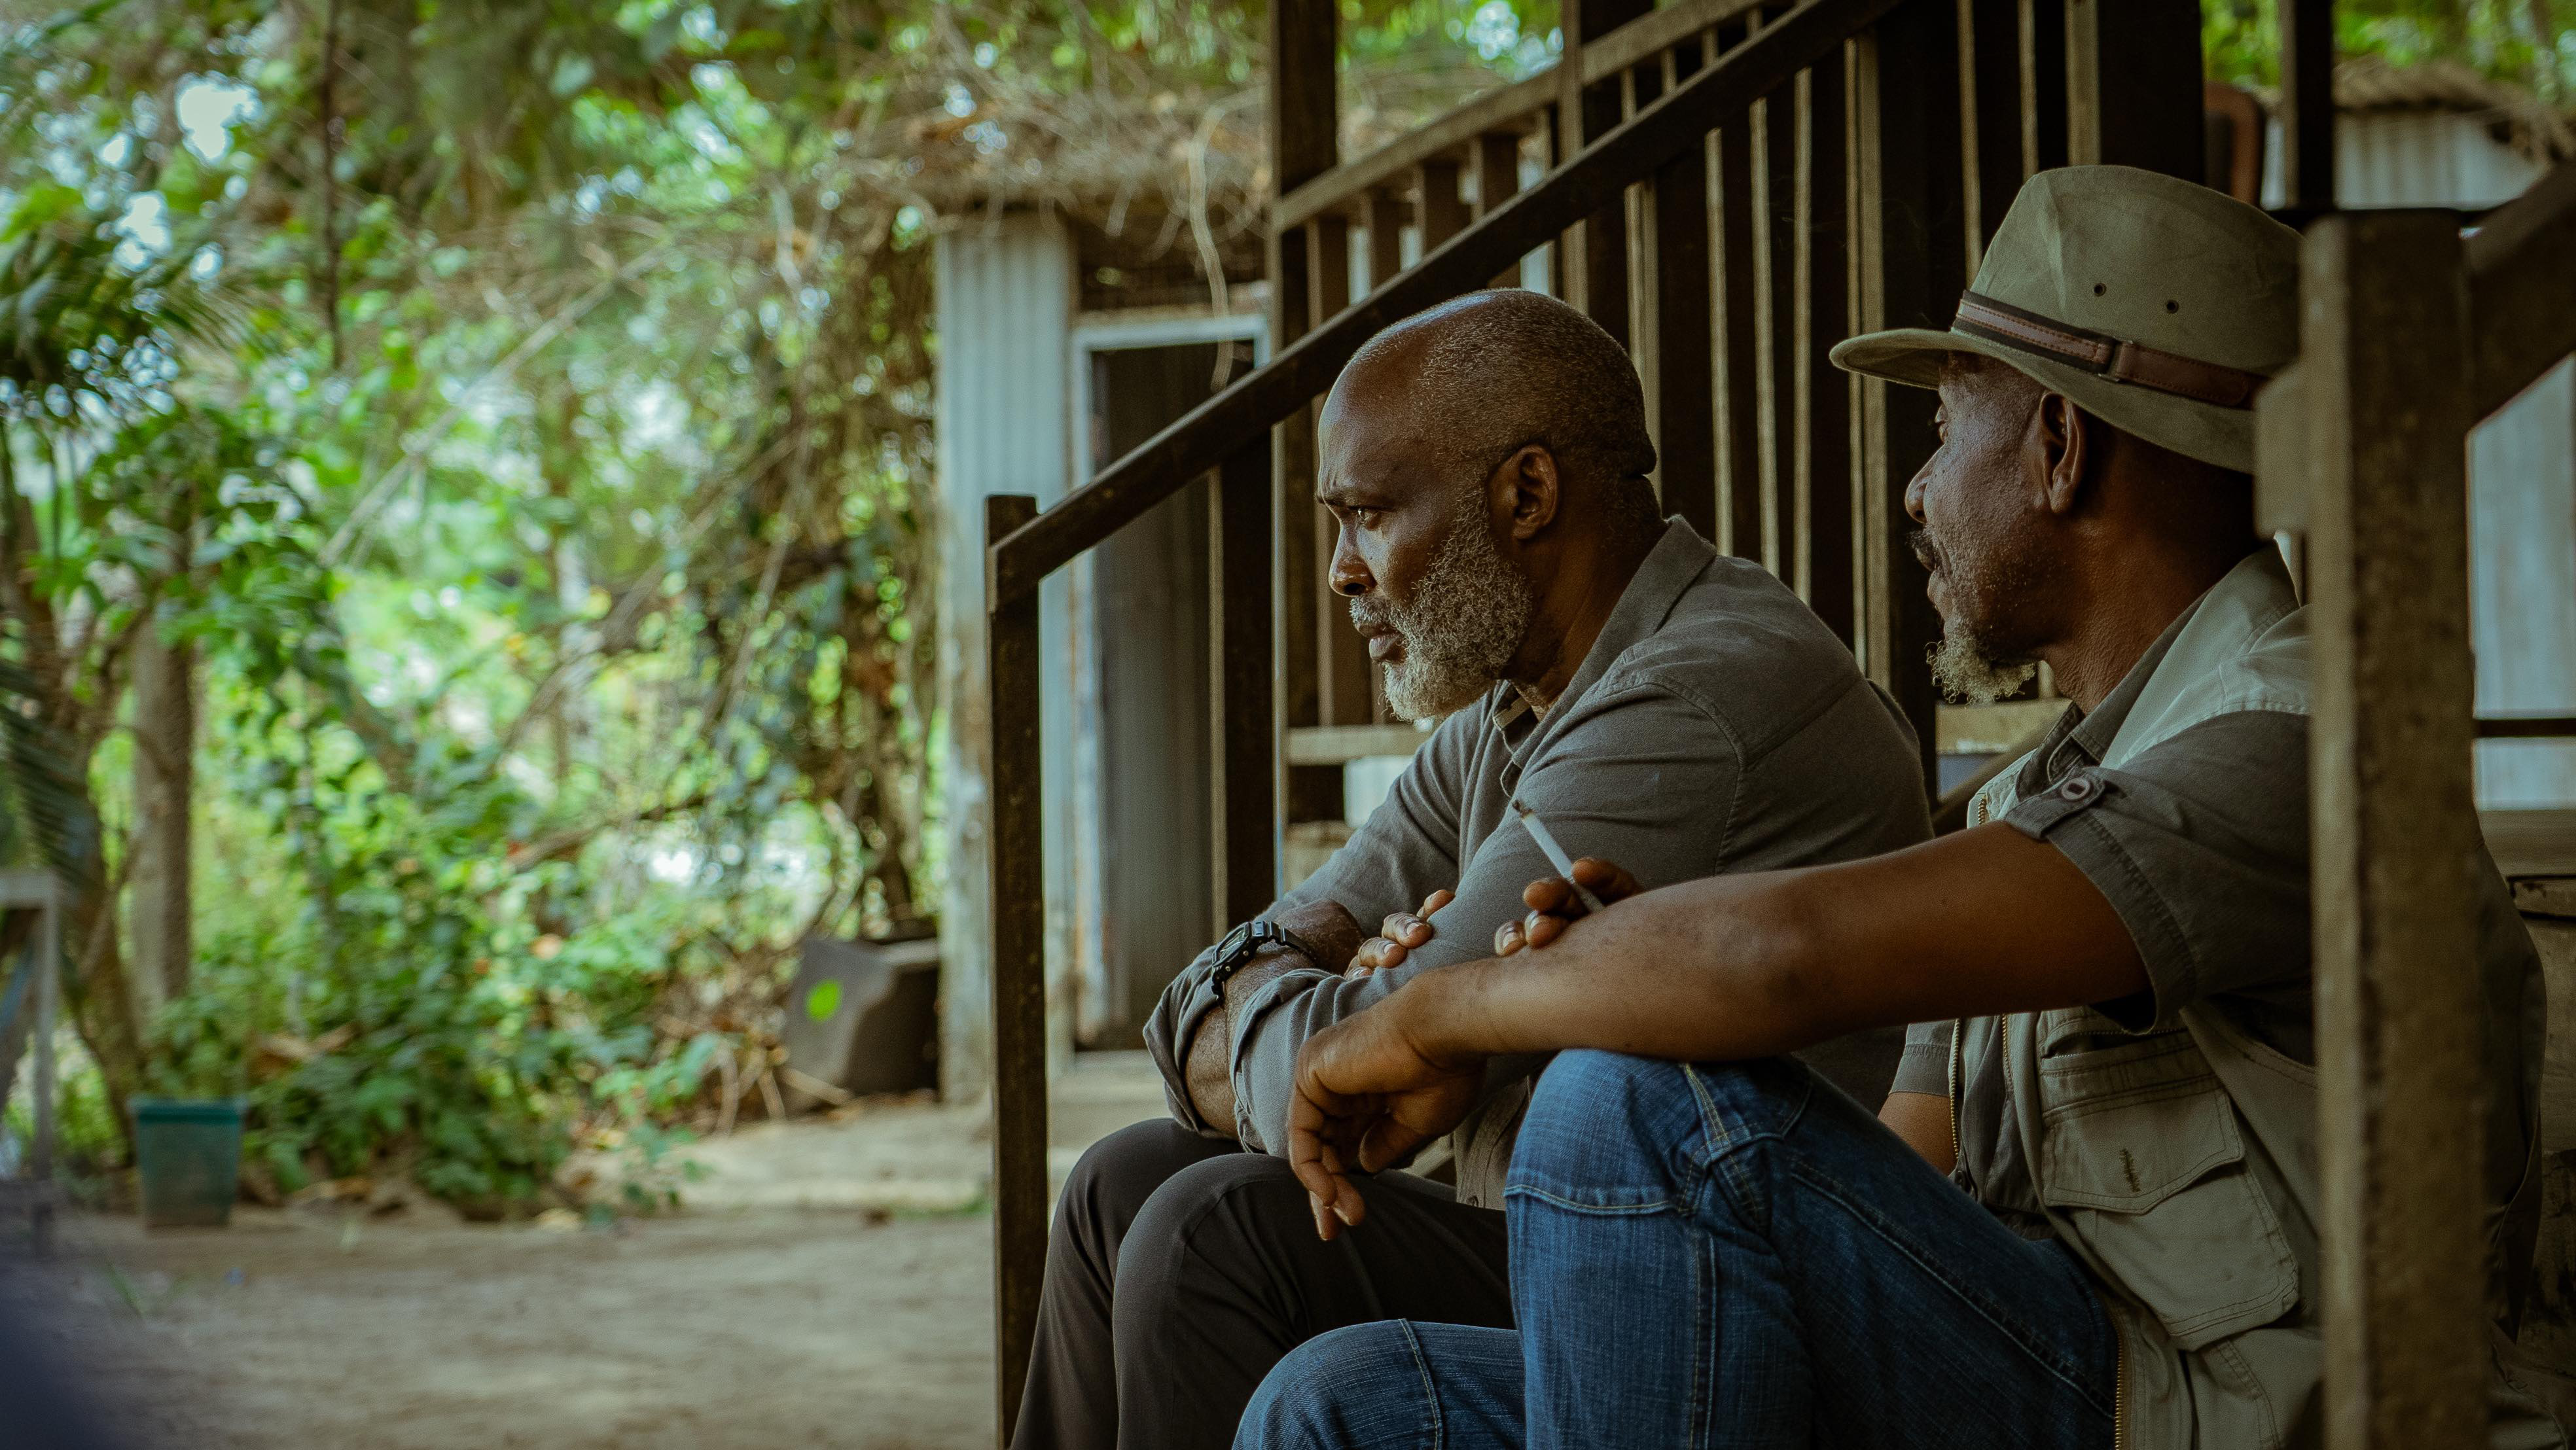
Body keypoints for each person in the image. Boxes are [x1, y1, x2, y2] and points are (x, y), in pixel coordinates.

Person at [1244, 166, 2566, 1450]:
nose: (1917, 491)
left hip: (2218, 1415)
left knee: (1631, 1103)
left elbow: (1777, 959)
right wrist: (1635, 968)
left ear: (2059, 447)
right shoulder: (2032, 790)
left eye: (1945, 432)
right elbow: (1909, 1174)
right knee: (1344, 1403)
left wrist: (1438, 1008)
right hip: (2043, 1362)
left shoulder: (2289, 746)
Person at [1011, 288, 1936, 1450]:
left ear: (1528, 494)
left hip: (1711, 1279)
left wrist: (1315, 1008)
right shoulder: (1510, 712)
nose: (1345, 571)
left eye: (1367, 515)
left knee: (1212, 1232)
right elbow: (1234, 997)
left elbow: (1363, 1051)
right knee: (1121, 1182)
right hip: (1552, 1230)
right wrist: (1295, 1000)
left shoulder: (1689, 696)